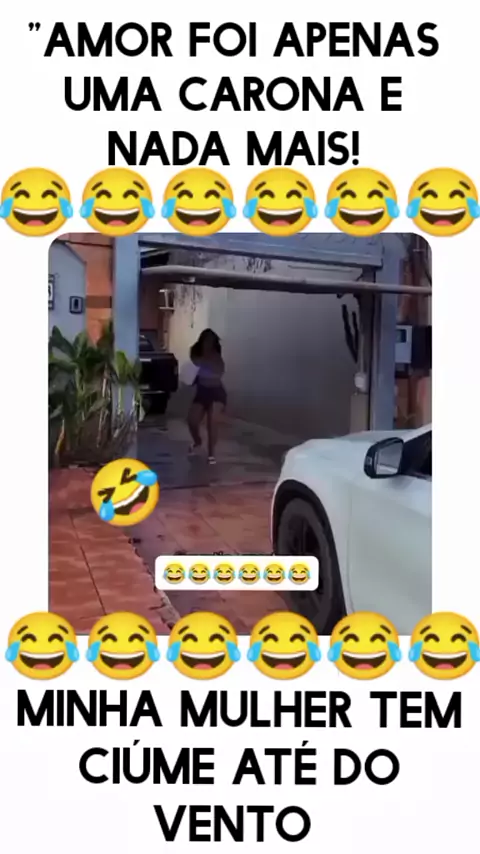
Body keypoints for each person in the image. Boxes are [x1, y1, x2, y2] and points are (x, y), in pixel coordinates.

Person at [187, 329, 226, 464]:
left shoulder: (217, 357)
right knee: (192, 420)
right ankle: (197, 441)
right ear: (201, 341)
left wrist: (204, 370)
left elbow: (219, 373)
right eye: (206, 341)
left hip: (217, 392)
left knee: (212, 421)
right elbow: (192, 368)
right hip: (202, 392)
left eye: (211, 342)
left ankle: (211, 454)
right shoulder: (195, 352)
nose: (208, 345)